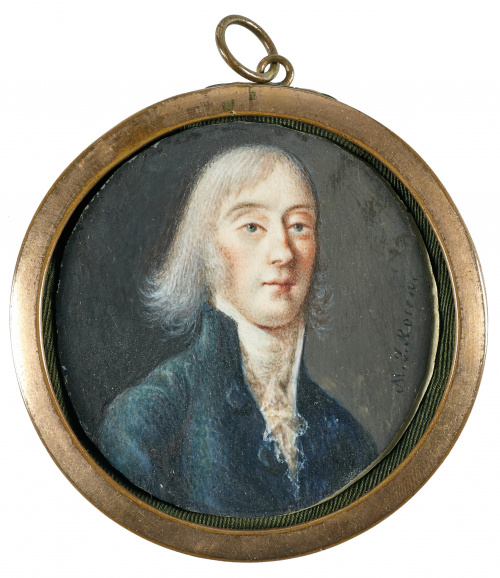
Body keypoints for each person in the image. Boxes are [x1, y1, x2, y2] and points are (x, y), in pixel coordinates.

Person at [99, 145, 377, 517]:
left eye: (298, 226)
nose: (284, 253)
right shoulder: (146, 421)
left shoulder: (347, 438)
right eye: (252, 227)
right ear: (206, 248)